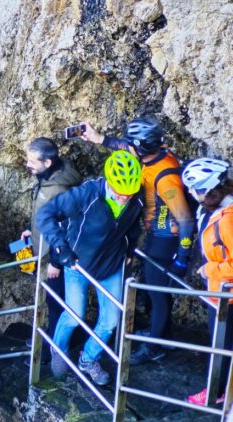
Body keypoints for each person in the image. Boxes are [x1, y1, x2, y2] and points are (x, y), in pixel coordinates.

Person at [81, 118, 195, 365]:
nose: (128, 147)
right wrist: (99, 138)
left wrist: (182, 258)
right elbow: (126, 146)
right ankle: (161, 335)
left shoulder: (165, 177)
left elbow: (186, 220)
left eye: (132, 145)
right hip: (156, 235)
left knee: (157, 293)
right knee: (155, 290)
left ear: (141, 148)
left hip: (166, 239)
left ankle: (154, 347)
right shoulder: (155, 153)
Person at [37, 150, 144, 385]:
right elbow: (46, 214)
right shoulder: (88, 194)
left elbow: (133, 226)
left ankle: (88, 359)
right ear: (109, 181)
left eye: (130, 192)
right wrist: (61, 249)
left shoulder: (136, 197)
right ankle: (58, 348)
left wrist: (129, 251)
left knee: (111, 321)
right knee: (74, 316)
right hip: (77, 264)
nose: (124, 197)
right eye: (120, 191)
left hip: (110, 264)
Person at [19, 138, 83, 363]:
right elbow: (47, 215)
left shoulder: (60, 189)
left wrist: (56, 262)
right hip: (44, 248)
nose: (28, 164)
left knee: (56, 303)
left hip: (56, 257)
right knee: (51, 301)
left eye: (32, 161)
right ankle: (53, 337)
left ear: (47, 162)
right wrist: (32, 230)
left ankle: (51, 350)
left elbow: (68, 227)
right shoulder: (47, 177)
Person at [180, 158, 233, 405]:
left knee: (221, 346)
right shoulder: (215, 209)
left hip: (226, 296)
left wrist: (209, 269)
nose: (191, 194)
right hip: (220, 293)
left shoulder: (228, 220)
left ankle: (217, 392)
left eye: (196, 189)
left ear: (210, 190)